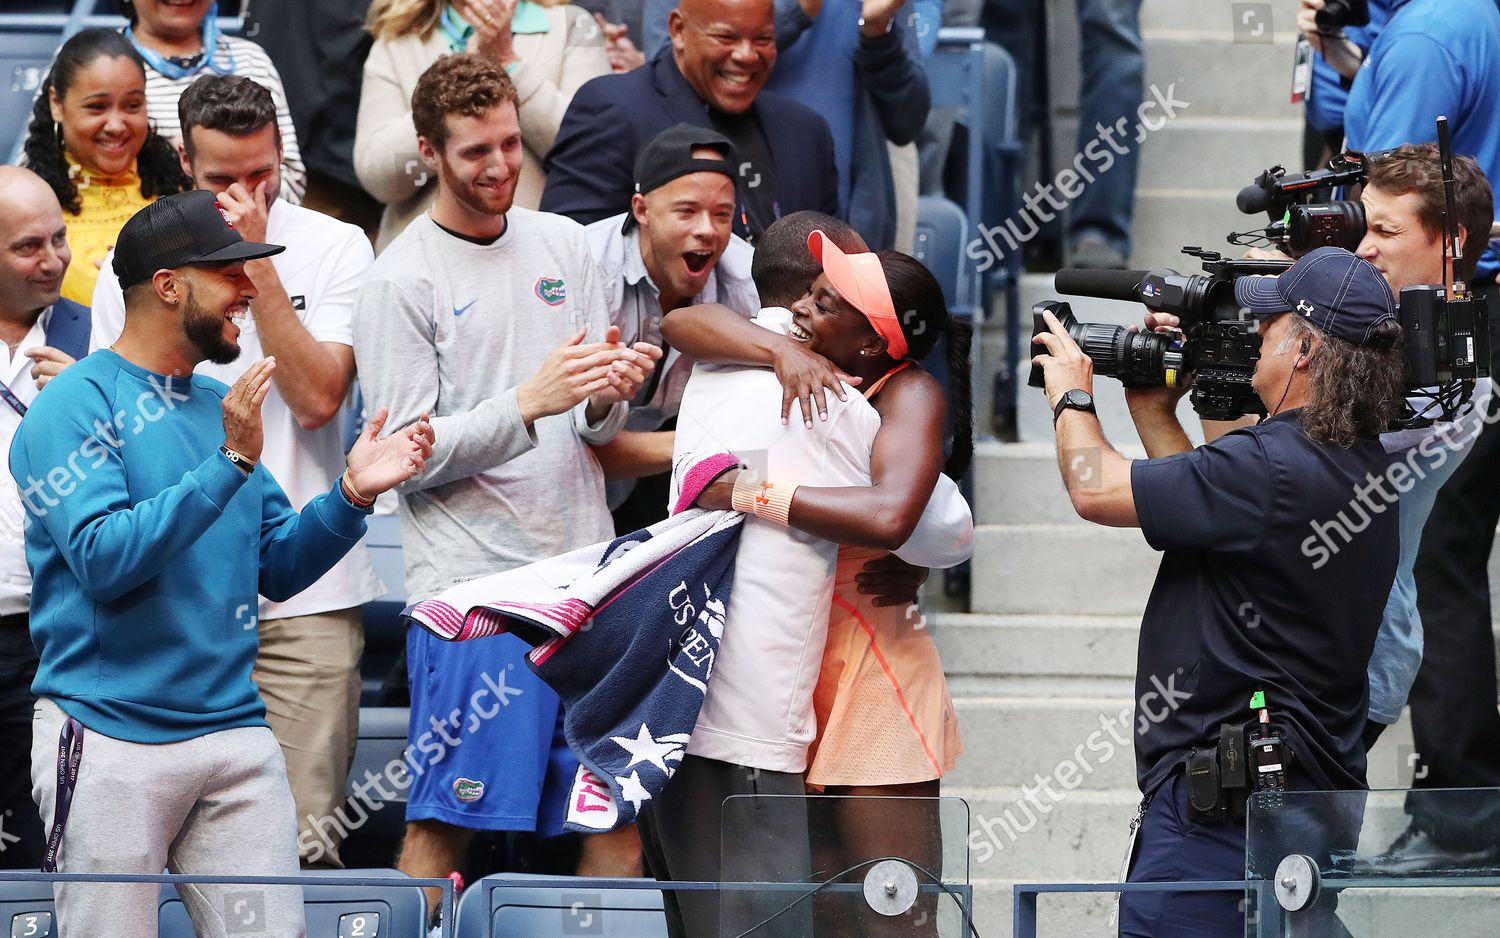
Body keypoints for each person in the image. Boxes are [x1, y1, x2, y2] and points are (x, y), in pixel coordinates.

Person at [15, 187, 432, 936]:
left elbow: (275, 563)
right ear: (169, 286)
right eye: (228, 271)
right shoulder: (72, 404)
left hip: (235, 732)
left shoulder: (216, 403)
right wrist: (228, 463)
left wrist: (350, 495)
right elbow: (106, 560)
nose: (248, 287)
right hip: (108, 734)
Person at [349, 53, 661, 915]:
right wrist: (531, 401)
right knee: (447, 819)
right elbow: (403, 454)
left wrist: (607, 396)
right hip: (473, 597)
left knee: (612, 820)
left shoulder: (562, 240)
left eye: (509, 144)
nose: (499, 167)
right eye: (474, 152)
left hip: (585, 584)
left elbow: (594, 428)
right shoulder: (400, 279)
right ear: (428, 153)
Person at [1031, 247, 1406, 936]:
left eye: (1267, 327)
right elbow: (1207, 520)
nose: (1252, 338)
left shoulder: (1269, 465)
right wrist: (1151, 409)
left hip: (1221, 823)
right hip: (1293, 811)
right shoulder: (1355, 463)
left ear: (1306, 348)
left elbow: (1093, 488)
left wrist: (1072, 394)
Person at [643, 211, 974, 937]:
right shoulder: (804, 378)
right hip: (798, 665)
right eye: (812, 292)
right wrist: (780, 354)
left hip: (872, 668)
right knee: (821, 913)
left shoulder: (905, 393)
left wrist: (753, 494)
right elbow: (685, 324)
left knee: (894, 914)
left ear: (875, 341)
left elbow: (918, 521)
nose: (803, 307)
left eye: (828, 303)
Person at [88, 74, 386, 869]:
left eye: (262, 174)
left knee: (300, 848)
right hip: (177, 601)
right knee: (156, 856)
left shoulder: (337, 244)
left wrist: (257, 268)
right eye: (222, 180)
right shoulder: (137, 257)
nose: (246, 195)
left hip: (310, 598)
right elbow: (112, 426)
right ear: (183, 158)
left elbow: (320, 396)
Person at [1301, 0, 1500, 870]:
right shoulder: (1459, 23)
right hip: (1470, 298)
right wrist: (1353, 65)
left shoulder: (1425, 33)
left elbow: (1391, 204)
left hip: (1452, 310)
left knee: (1432, 562)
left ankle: (1461, 821)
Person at [539, 0, 840, 241]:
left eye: (763, 39)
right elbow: (569, 252)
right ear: (678, 30)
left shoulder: (806, 130)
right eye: (726, 37)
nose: (747, 55)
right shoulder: (613, 109)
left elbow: (833, 262)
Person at [641, 0, 930, 250]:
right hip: (719, 227)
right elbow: (668, 77)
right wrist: (796, 10)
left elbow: (907, 121)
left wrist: (879, 33)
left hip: (849, 224)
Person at [585, 123, 759, 533]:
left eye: (723, 215)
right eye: (687, 211)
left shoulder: (747, 278)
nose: (708, 230)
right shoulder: (584, 266)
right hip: (577, 474)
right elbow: (573, 441)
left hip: (680, 471)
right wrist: (711, 447)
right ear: (641, 210)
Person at [0, 167, 92, 872]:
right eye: (30, 246)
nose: (56, 258)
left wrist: (92, 409)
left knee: (49, 850)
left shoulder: (100, 336)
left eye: (60, 238)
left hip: (59, 630)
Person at [354, 0, 612, 251]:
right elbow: (378, 178)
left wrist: (509, 63)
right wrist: (453, 90)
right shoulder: (398, 39)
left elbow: (592, 157)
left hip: (539, 261)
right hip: (426, 264)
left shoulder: (571, 25)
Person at [21, 28, 190, 306]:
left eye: (132, 105)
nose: (115, 125)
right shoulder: (25, 203)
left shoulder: (184, 192)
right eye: (97, 107)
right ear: (56, 103)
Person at [120, 0, 307, 202]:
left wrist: (244, 208)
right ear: (185, 158)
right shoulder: (100, 65)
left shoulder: (252, 59)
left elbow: (292, 179)